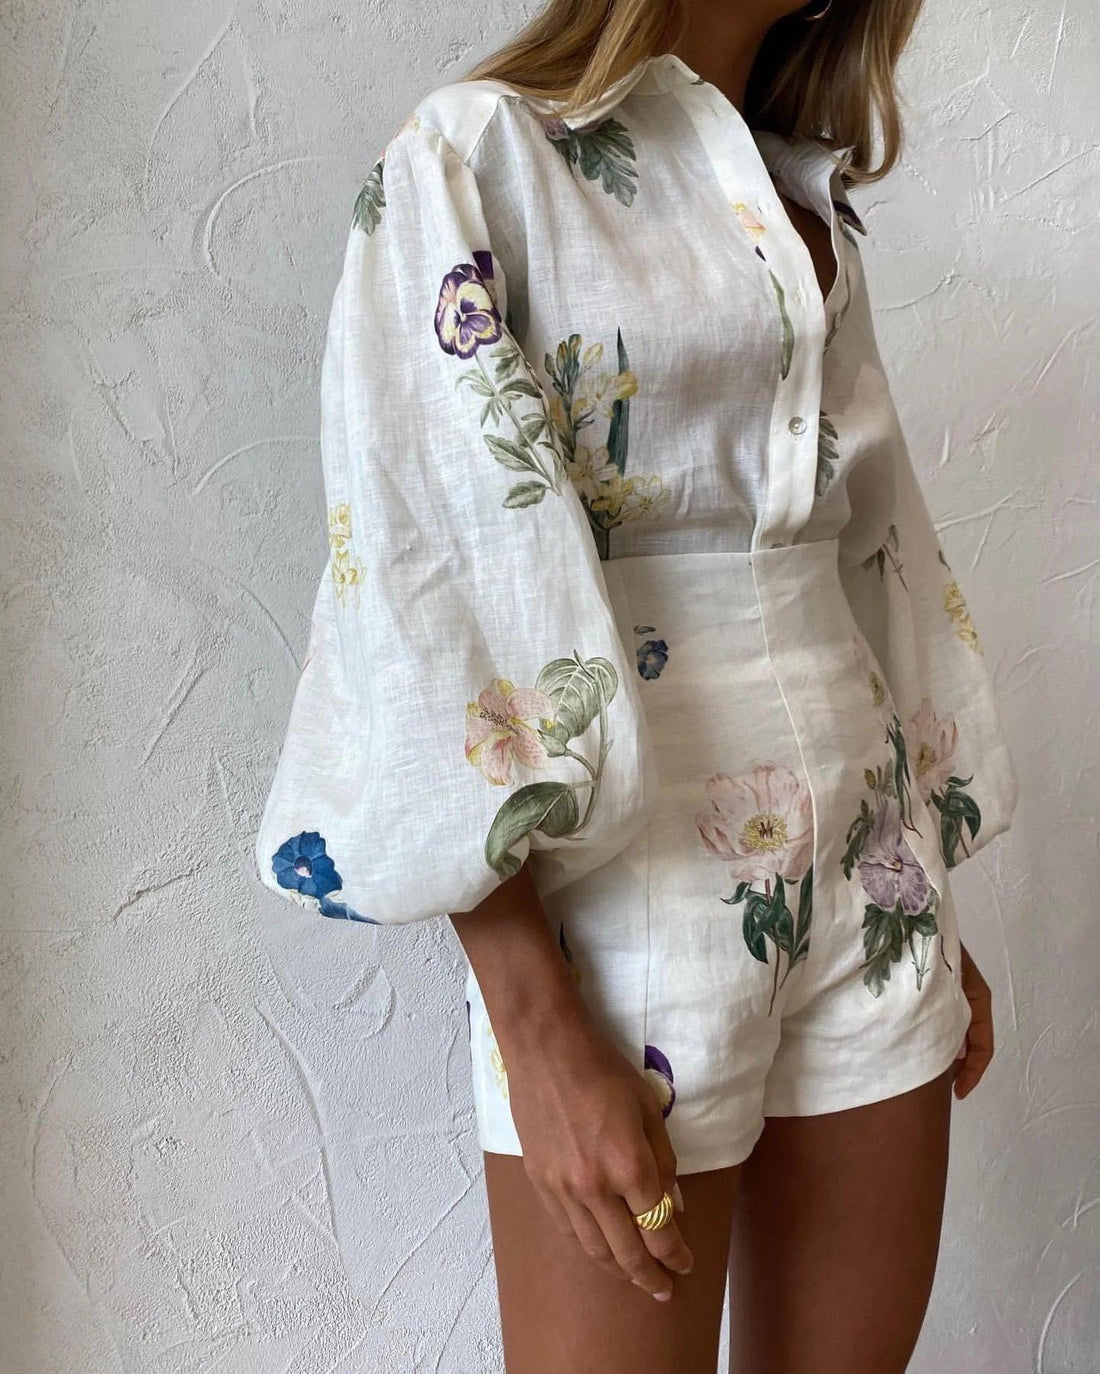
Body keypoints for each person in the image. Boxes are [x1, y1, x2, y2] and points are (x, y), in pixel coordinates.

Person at [254, 0, 1020, 1368]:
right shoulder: (473, 162)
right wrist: (534, 1023)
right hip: (624, 910)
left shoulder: (797, 194)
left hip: (872, 881)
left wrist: (922, 870)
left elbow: (868, 545)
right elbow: (424, 599)